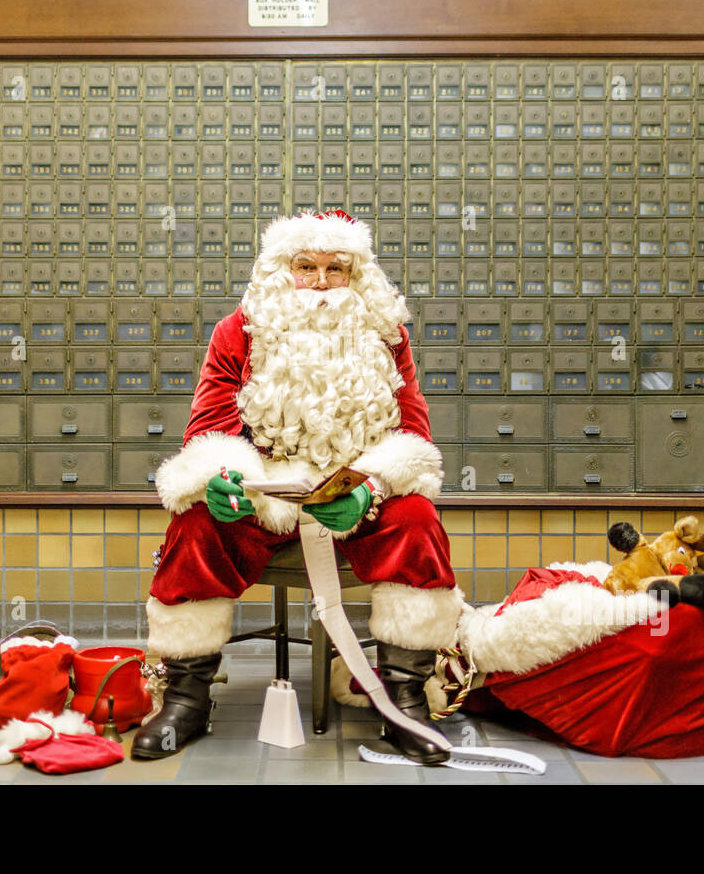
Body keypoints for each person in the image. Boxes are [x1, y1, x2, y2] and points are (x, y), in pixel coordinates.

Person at [132, 209, 461, 764]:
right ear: (280, 270)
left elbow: (414, 435)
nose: (321, 282)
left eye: (337, 268)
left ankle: (404, 699)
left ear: (358, 275)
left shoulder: (387, 335)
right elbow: (206, 431)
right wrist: (221, 478)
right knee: (195, 524)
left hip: (357, 501)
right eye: (305, 266)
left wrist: (372, 488)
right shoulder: (238, 331)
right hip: (265, 501)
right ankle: (185, 699)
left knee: (419, 523)